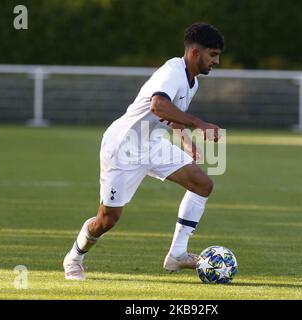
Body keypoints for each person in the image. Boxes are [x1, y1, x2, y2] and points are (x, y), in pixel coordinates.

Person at [63, 22, 224, 280]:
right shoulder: (173, 71)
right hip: (123, 146)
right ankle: (75, 256)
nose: (216, 61)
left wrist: (186, 141)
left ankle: (177, 255)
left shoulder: (192, 82)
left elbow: (169, 116)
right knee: (107, 219)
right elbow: (159, 105)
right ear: (195, 52)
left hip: (153, 143)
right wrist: (199, 124)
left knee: (202, 184)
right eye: (213, 54)